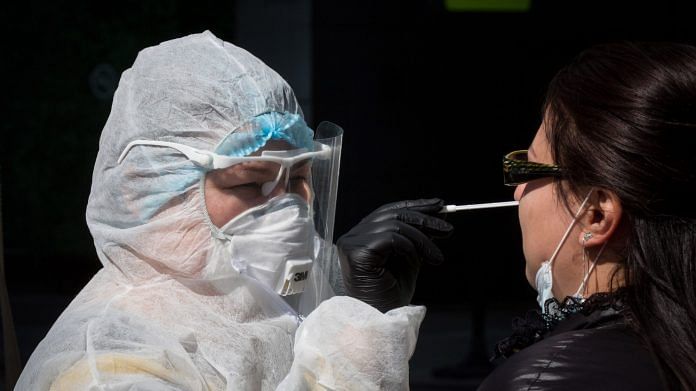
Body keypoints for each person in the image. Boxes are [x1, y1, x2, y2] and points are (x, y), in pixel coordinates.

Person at [15, 31, 452, 390]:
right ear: (144, 191)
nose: (287, 207)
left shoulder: (249, 300)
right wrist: (353, 351)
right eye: (248, 183)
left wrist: (347, 294)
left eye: (299, 178)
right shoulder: (111, 367)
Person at [477, 41, 696, 390]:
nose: (518, 191)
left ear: (596, 214)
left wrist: (371, 325)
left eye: (531, 169)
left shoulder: (544, 381)